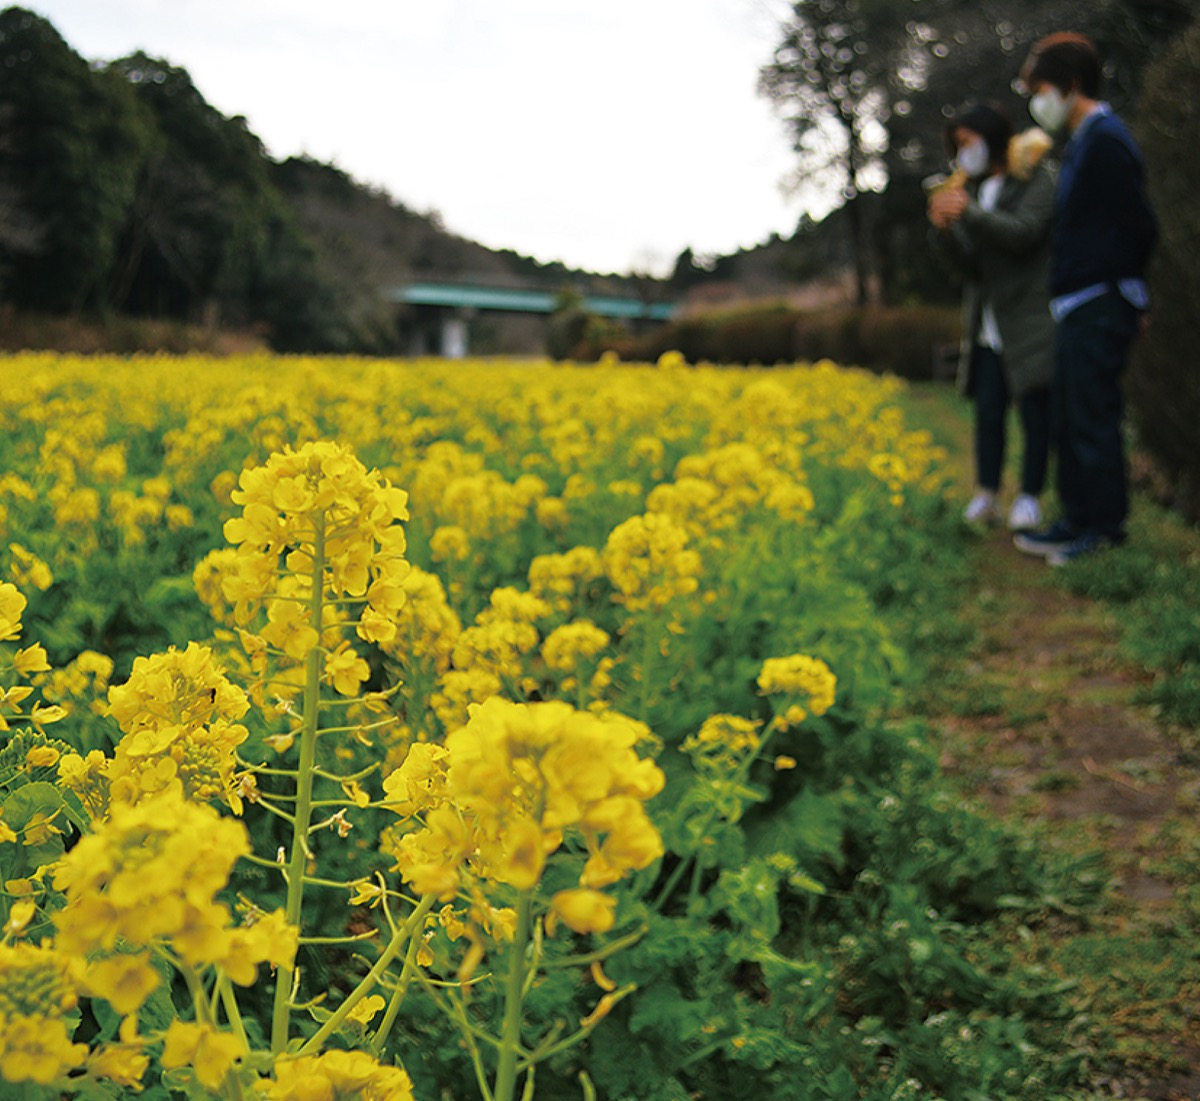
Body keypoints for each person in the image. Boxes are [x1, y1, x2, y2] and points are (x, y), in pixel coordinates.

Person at [1012, 32, 1157, 566]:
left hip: (1100, 299)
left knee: (1093, 415)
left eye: (1042, 88)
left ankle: (1104, 528)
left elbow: (1139, 225)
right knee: (1070, 416)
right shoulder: (1082, 144)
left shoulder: (1106, 140)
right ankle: (1076, 519)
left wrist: (1131, 297)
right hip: (1076, 301)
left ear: (1071, 86)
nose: (1037, 100)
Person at [927, 103, 1057, 532]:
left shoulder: (1036, 178)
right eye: (957, 147)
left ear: (990, 135)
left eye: (967, 142)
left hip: (1028, 320)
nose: (963, 154)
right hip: (986, 325)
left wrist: (968, 213)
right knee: (988, 414)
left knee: (1034, 413)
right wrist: (944, 230)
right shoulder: (976, 190)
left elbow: (1021, 236)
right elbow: (970, 268)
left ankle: (1029, 497)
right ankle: (986, 495)